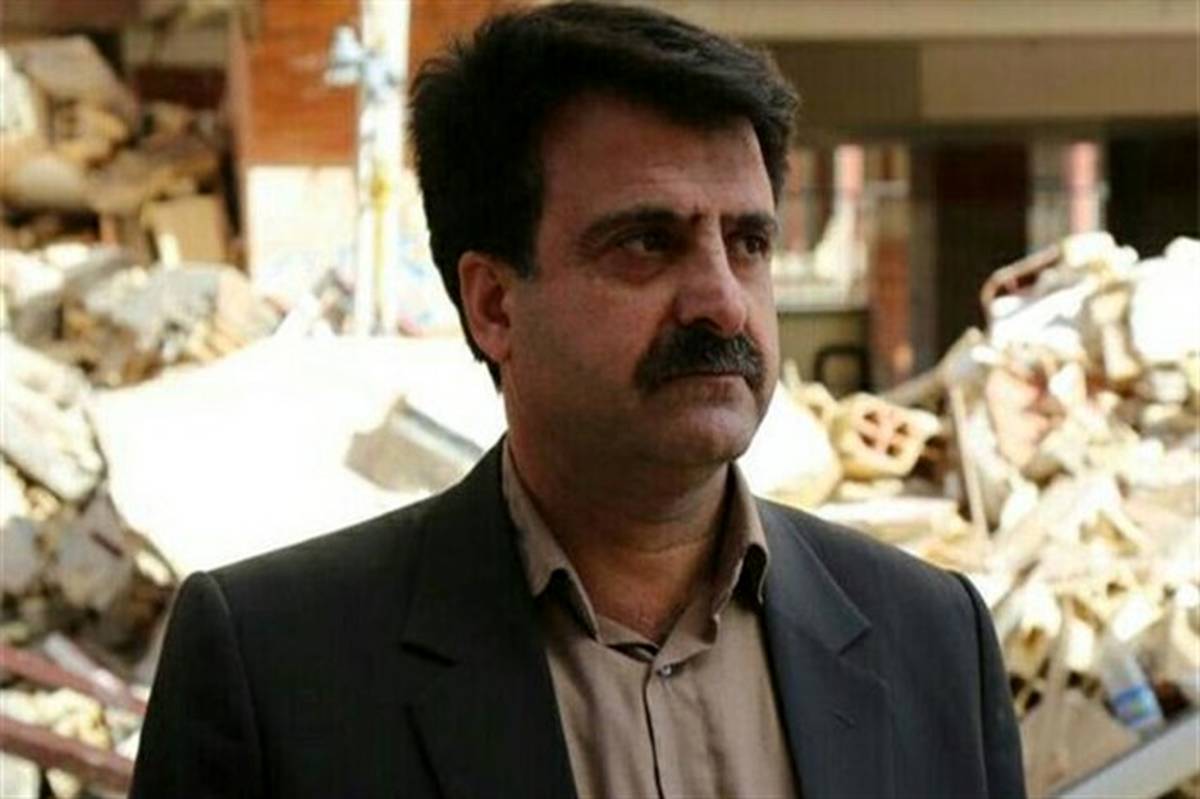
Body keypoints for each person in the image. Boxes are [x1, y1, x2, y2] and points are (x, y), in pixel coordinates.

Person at [130, 3, 1025, 797]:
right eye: (646, 243)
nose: (722, 301)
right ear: (493, 304)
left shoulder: (931, 640)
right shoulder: (278, 671)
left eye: (748, 242)